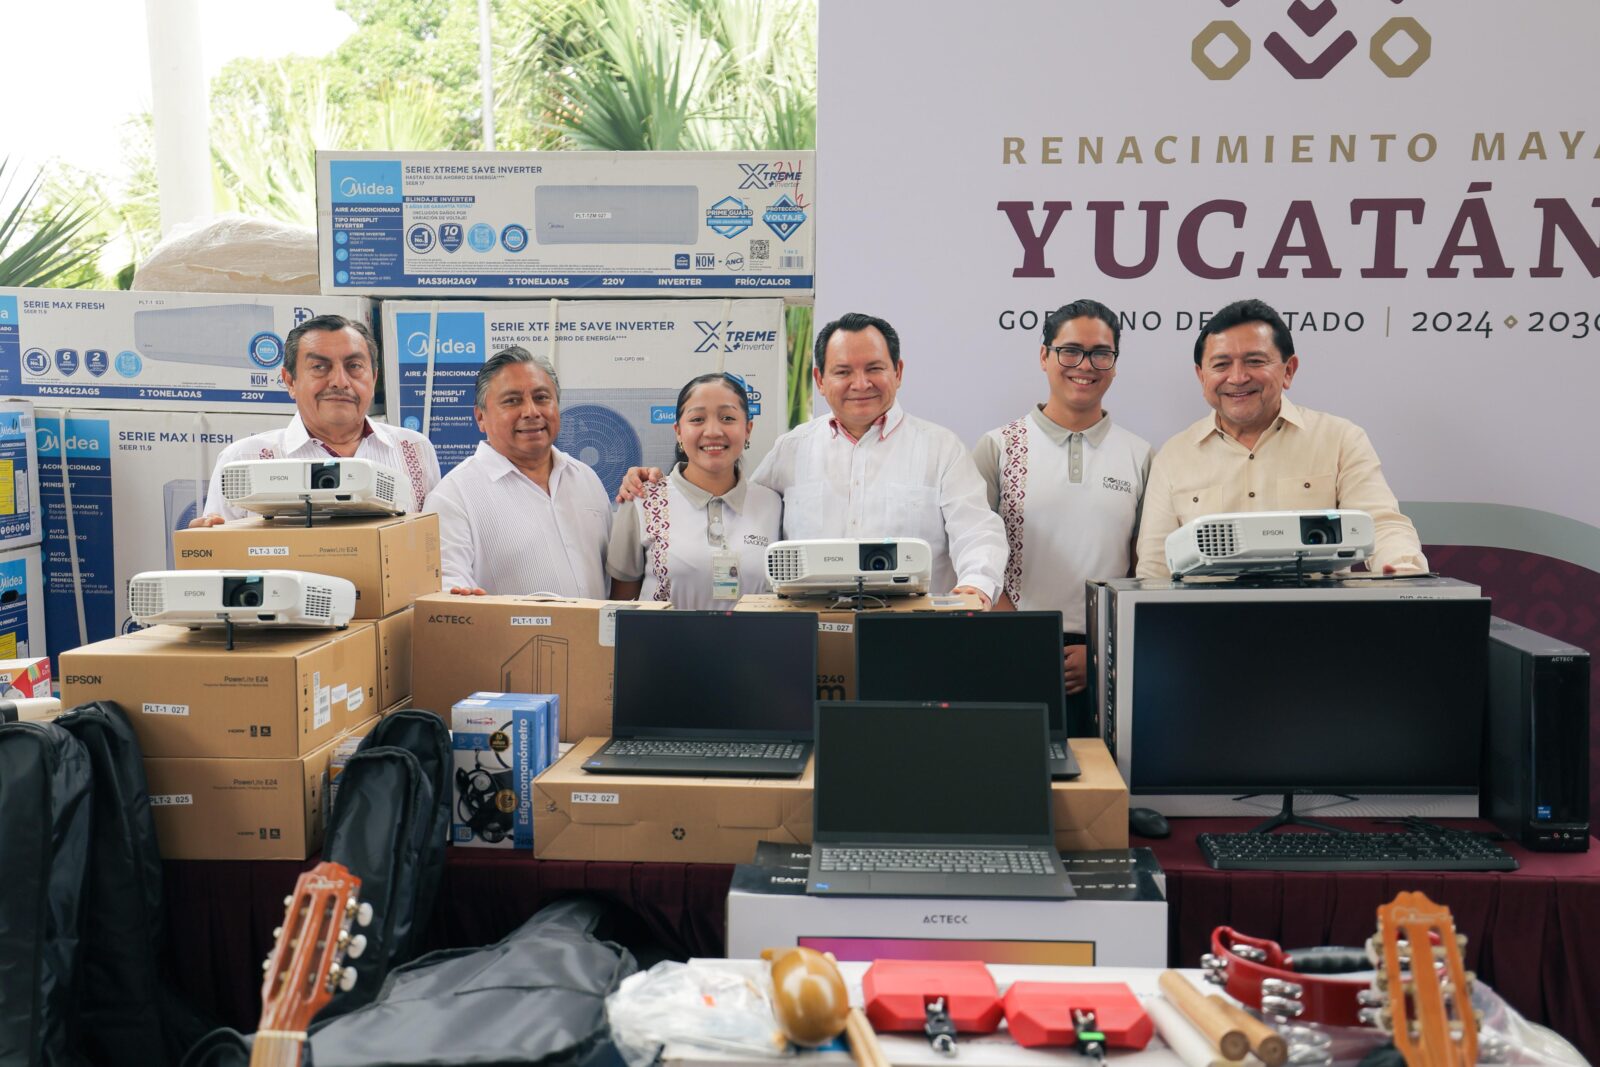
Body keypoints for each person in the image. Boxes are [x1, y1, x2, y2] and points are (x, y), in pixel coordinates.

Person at [618, 313, 1006, 605]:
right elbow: (737, 500)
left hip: (910, 634)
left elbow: (977, 530)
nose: (860, 384)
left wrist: (976, 586)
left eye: (874, 368)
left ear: (898, 372)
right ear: (820, 380)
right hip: (814, 640)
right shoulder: (792, 449)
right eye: (843, 371)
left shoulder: (940, 448)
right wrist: (655, 484)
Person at [1136, 298, 1427, 580]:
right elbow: (1155, 569)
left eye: (1254, 361)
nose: (1237, 377)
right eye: (1221, 365)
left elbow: (1382, 524)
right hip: (1201, 613)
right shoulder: (1173, 457)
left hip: (1318, 611)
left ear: (1288, 370)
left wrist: (1401, 568)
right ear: (1202, 377)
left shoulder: (1340, 439)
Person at [973, 300, 1151, 729]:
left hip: (1106, 658)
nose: (1084, 366)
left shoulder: (1139, 454)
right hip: (1012, 647)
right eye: (1070, 351)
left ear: (1114, 364)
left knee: (1101, 771)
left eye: (1100, 354)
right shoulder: (998, 446)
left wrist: (1102, 650)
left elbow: (1144, 568)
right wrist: (1023, 643)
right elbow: (973, 554)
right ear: (1044, 355)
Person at [194, 314, 440, 524]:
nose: (340, 381)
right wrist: (206, 544)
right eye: (320, 367)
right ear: (290, 381)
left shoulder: (414, 449)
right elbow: (221, 554)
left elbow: (432, 544)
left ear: (374, 378)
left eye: (354, 366)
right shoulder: (243, 459)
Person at [425, 346, 612, 596]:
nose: (531, 412)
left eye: (542, 397)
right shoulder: (452, 497)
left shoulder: (585, 478)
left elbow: (615, 575)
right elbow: (448, 592)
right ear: (480, 417)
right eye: (512, 401)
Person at [607, 373, 783, 609]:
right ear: (678, 431)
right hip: (663, 635)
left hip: (755, 635)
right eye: (697, 419)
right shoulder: (642, 500)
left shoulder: (772, 503)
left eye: (728, 418)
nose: (713, 431)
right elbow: (620, 609)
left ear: (748, 429)